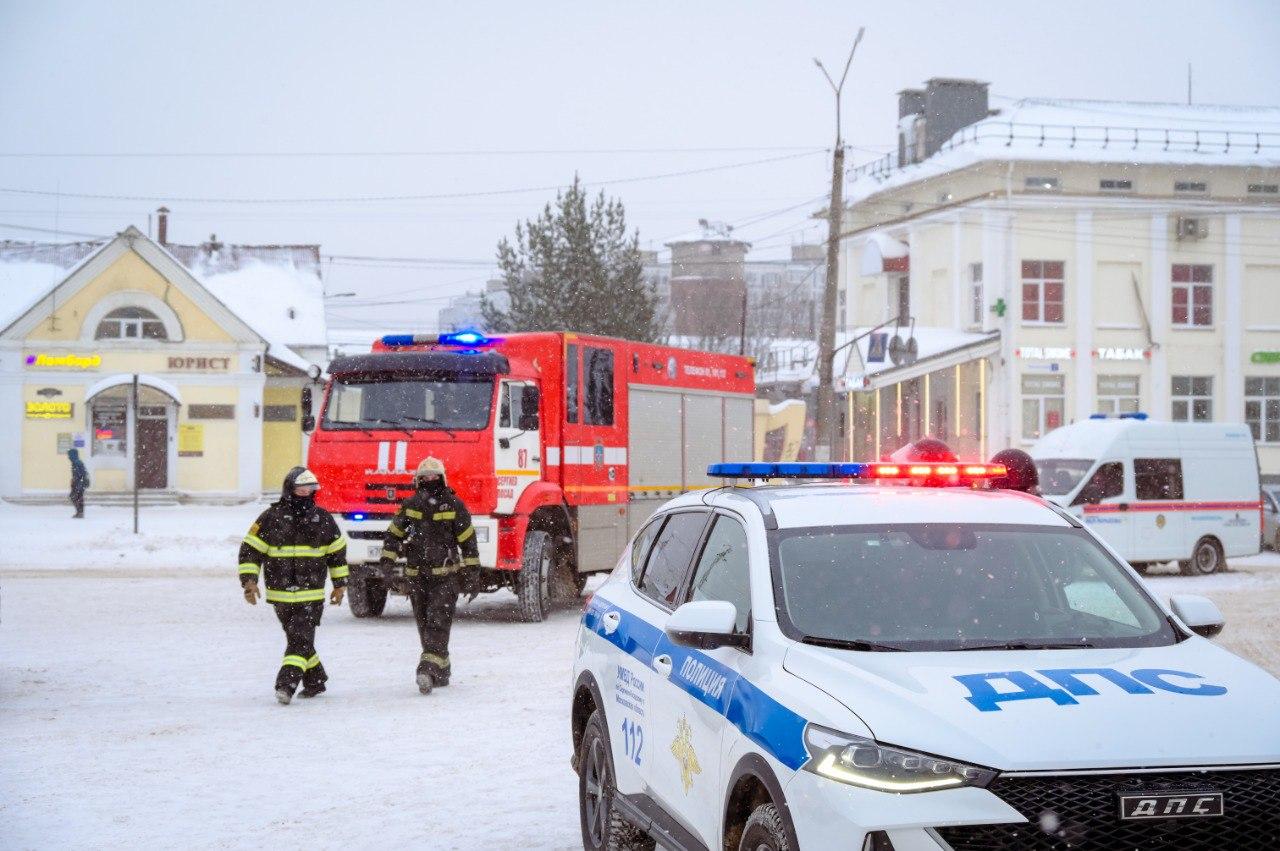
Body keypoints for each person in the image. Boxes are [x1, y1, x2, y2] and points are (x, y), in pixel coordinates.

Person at [238, 467, 348, 705]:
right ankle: (316, 679)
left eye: (310, 490)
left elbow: (337, 554)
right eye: (301, 489)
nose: (305, 494)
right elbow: (250, 550)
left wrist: (340, 585)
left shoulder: (323, 519)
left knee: (298, 641)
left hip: (312, 596)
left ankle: (285, 685)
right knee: (300, 640)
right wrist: (249, 581)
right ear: (290, 490)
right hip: (280, 597)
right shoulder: (270, 518)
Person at [380, 457, 480, 695]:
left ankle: (426, 668)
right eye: (425, 477)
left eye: (434, 476)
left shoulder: (454, 505)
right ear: (418, 480)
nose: (430, 480)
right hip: (417, 577)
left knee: (438, 622)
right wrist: (386, 563)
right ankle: (441, 669)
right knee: (425, 626)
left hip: (446, 577)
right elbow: (393, 535)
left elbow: (468, 542)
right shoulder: (410, 505)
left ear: (442, 478)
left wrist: (472, 573)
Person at [67, 448, 89, 518]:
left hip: (79, 483)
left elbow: (79, 474)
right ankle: (79, 512)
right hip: (79, 483)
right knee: (78, 497)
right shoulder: (77, 462)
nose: (69, 457)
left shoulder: (77, 463)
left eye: (69, 455)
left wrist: (74, 480)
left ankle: (79, 512)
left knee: (74, 497)